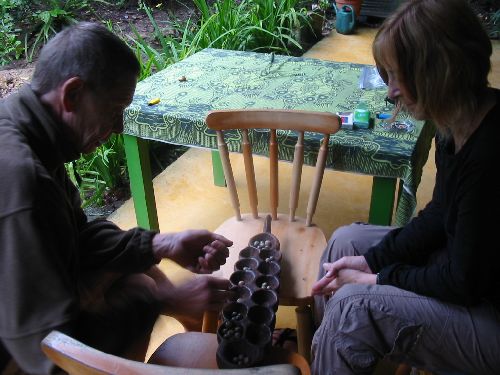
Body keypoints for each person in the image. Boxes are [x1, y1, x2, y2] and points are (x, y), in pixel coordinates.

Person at [0, 22, 234, 374]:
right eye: (113, 111)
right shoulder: (24, 179)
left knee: (140, 271)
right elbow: (48, 350)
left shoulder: (29, 128)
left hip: (33, 301)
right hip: (17, 348)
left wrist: (162, 244)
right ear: (72, 94)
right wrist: (162, 301)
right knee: (140, 291)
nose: (120, 127)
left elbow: (78, 238)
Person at [310, 0, 500, 374]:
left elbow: (464, 281)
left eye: (399, 77)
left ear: (438, 73)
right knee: (345, 243)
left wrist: (377, 277)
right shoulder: (458, 122)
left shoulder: (491, 155)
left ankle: (338, 342)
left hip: (489, 308)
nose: (390, 92)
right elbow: (441, 214)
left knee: (352, 307)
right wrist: (371, 261)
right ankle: (329, 349)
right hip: (470, 270)